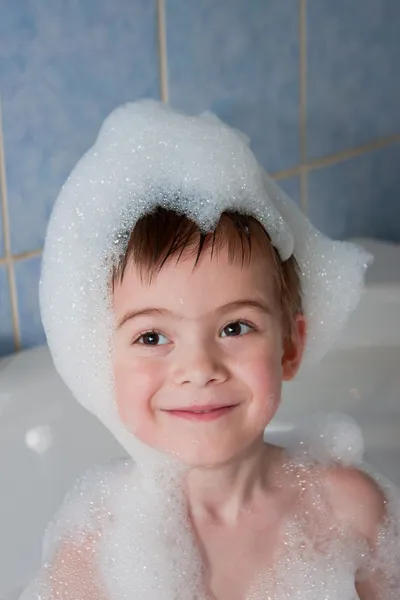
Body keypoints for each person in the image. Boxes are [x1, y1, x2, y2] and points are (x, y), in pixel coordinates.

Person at [21, 101, 399, 599]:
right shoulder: (92, 558)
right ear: (103, 361)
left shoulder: (350, 512)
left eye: (235, 327)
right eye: (152, 337)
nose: (198, 369)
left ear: (290, 347)